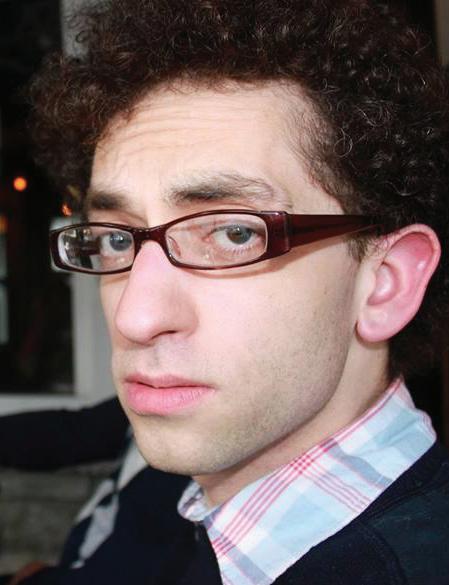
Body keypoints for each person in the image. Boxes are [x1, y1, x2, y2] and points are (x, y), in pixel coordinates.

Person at [29, 0, 449, 582]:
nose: (135, 317)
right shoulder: (200, 511)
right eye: (118, 239)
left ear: (384, 284)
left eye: (234, 234)